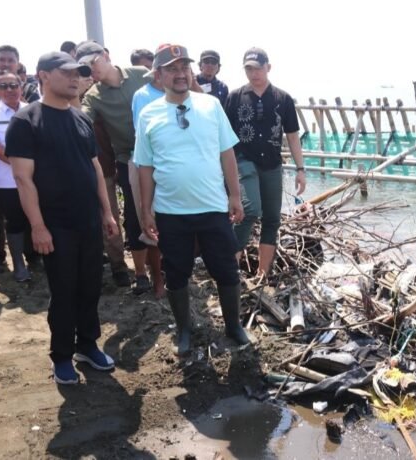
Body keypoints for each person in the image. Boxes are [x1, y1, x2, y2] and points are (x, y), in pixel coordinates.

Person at [5, 51, 119, 384]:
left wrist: (107, 212)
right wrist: (38, 227)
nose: (75, 78)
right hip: (55, 225)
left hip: (87, 220)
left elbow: (95, 167)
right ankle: (62, 355)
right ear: (43, 76)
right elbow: (23, 179)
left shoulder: (81, 118)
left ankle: (87, 344)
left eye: (79, 73)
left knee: (90, 286)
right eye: (67, 72)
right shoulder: (27, 121)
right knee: (64, 290)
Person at [134, 44, 248, 355]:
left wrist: (235, 195)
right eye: (172, 68)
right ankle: (184, 330)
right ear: (158, 76)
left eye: (184, 66)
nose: (180, 73)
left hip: (213, 206)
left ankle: (234, 327)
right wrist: (146, 210)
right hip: (171, 211)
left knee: (226, 269)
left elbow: (227, 152)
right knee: (177, 271)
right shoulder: (148, 114)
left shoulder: (211, 105)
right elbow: (145, 166)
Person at [77, 40, 162, 296]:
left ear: (105, 55)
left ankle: (164, 268)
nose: (92, 70)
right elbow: (80, 122)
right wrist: (75, 92)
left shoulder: (139, 74)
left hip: (162, 155)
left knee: (167, 214)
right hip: (130, 160)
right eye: (84, 68)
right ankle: (140, 273)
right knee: (136, 217)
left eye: (93, 63)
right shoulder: (92, 96)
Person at [224, 47, 306, 277]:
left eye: (258, 68)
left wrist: (301, 169)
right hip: (243, 161)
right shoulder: (234, 97)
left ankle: (263, 274)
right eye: (249, 69)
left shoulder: (283, 98)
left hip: (272, 163)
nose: (254, 73)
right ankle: (230, 271)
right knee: (248, 211)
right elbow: (223, 136)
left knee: (271, 218)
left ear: (268, 68)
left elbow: (291, 135)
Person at [0, 71, 30, 281]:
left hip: (36, 177)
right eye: (3, 86)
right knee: (15, 221)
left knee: (36, 218)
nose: (9, 90)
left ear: (21, 86)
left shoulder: (33, 110)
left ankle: (36, 259)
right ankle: (18, 265)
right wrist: (22, 165)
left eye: (13, 85)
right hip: (6, 181)